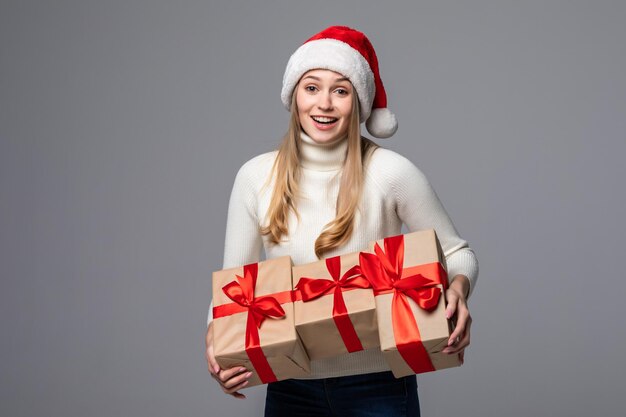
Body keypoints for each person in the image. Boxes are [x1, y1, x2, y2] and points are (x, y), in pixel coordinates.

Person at [205, 26, 478, 417]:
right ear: (293, 96)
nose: (325, 104)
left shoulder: (391, 173)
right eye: (312, 87)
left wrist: (459, 287)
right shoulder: (255, 177)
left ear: (359, 103)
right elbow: (231, 285)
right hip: (291, 386)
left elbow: (458, 253)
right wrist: (215, 339)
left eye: (341, 90)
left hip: (380, 385)